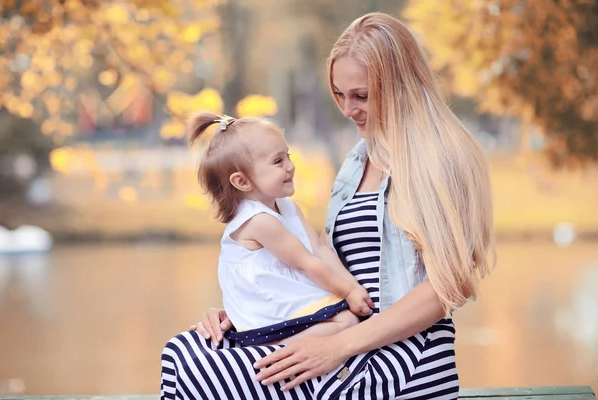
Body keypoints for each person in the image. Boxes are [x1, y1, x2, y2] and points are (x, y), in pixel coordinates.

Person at [161, 12, 495, 400]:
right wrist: (246, 312)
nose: (347, 109)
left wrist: (337, 347)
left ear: (400, 84)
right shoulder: (357, 161)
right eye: (339, 94)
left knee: (195, 373)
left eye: (362, 96)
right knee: (188, 351)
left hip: (397, 360)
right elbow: (314, 259)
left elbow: (448, 287)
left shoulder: (439, 157)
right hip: (341, 335)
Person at [185, 111, 373, 347]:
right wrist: (347, 292)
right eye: (278, 161)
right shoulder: (258, 221)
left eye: (288, 156)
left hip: (287, 299)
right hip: (266, 315)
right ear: (242, 181)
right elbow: (306, 262)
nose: (291, 166)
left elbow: (319, 250)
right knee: (346, 322)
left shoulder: (288, 207)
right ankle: (275, 351)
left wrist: (354, 287)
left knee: (348, 316)